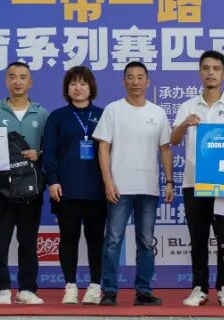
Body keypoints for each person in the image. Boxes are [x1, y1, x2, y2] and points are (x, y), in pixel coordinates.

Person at [171, 50, 224, 307]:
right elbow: (173, 140)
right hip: (194, 182)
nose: (210, 73)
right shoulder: (188, 106)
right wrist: (184, 125)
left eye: (216, 68)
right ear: (200, 72)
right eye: (206, 68)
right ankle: (199, 287)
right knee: (198, 237)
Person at [95, 61, 173, 307]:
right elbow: (103, 147)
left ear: (147, 82)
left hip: (148, 188)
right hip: (119, 188)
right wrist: (108, 181)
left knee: (146, 242)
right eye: (130, 77)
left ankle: (143, 291)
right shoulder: (113, 110)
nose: (135, 82)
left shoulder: (158, 112)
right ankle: (109, 291)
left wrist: (169, 181)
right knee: (113, 240)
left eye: (140, 77)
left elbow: (165, 148)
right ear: (124, 81)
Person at [0, 61, 48, 305]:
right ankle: (1, 287)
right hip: (1, 189)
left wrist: (38, 154)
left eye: (22, 77)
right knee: (0, 241)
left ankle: (27, 288)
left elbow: (50, 150)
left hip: (31, 189)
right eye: (12, 77)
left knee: (28, 241)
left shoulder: (42, 114)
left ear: (30, 82)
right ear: (6, 81)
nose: (17, 81)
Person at [42, 66, 106, 305]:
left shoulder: (103, 115)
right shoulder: (57, 117)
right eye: (73, 83)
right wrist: (53, 180)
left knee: (96, 239)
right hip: (66, 189)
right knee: (68, 238)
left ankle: (95, 286)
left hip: (97, 189)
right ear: (67, 88)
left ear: (91, 87)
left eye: (83, 83)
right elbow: (49, 152)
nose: (78, 88)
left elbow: (112, 151)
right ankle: (70, 285)